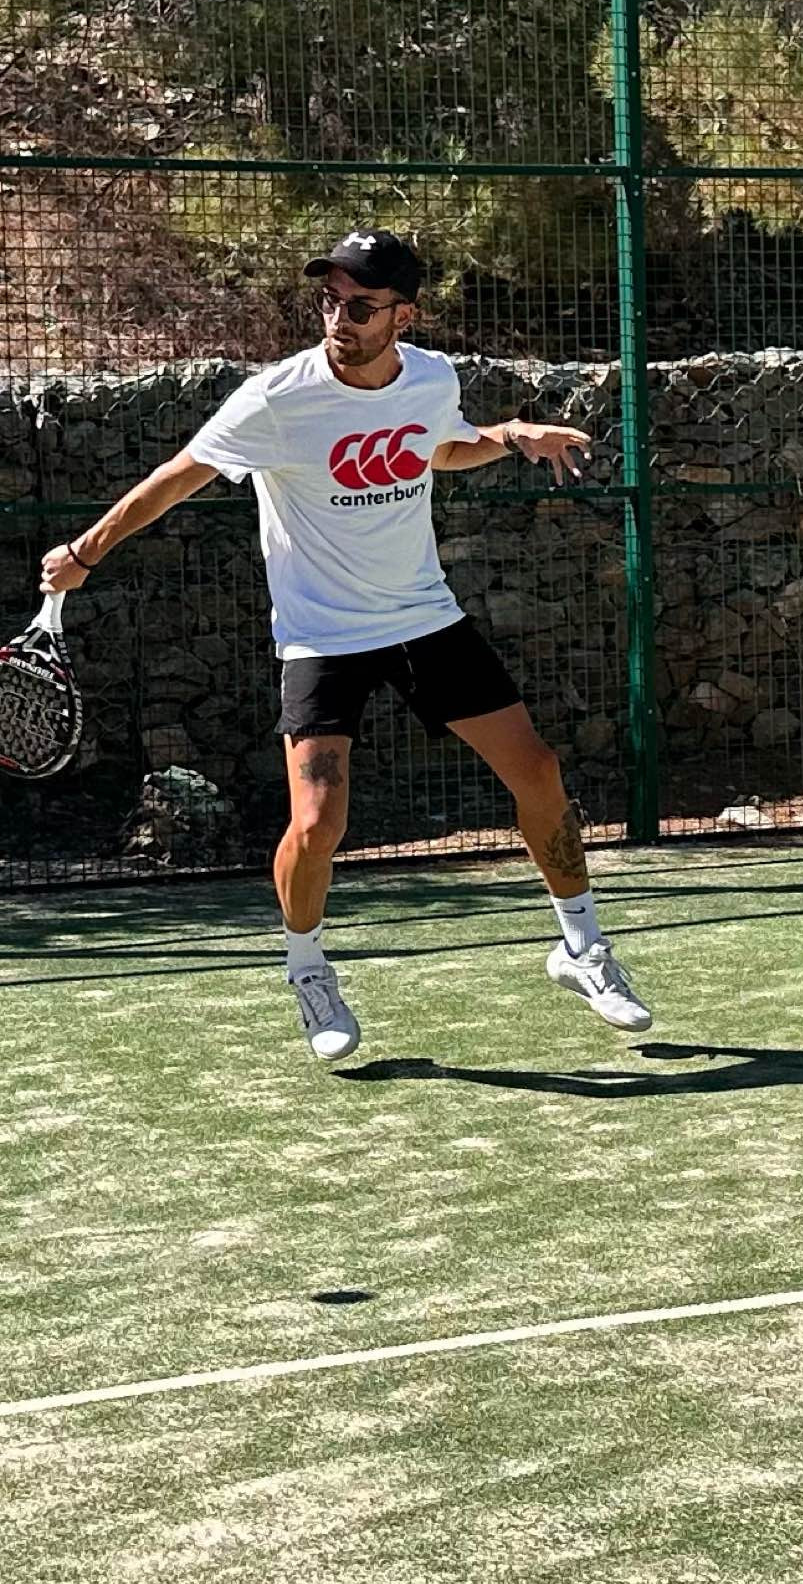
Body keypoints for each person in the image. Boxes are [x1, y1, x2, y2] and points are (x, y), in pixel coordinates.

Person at [40, 227, 651, 1063]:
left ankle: (582, 948)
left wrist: (510, 434)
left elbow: (438, 449)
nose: (339, 318)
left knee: (539, 772)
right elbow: (178, 477)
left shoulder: (431, 377)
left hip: (423, 618)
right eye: (329, 300)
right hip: (322, 638)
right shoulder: (275, 400)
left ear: (404, 315)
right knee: (318, 820)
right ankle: (307, 969)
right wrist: (84, 553)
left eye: (361, 306)